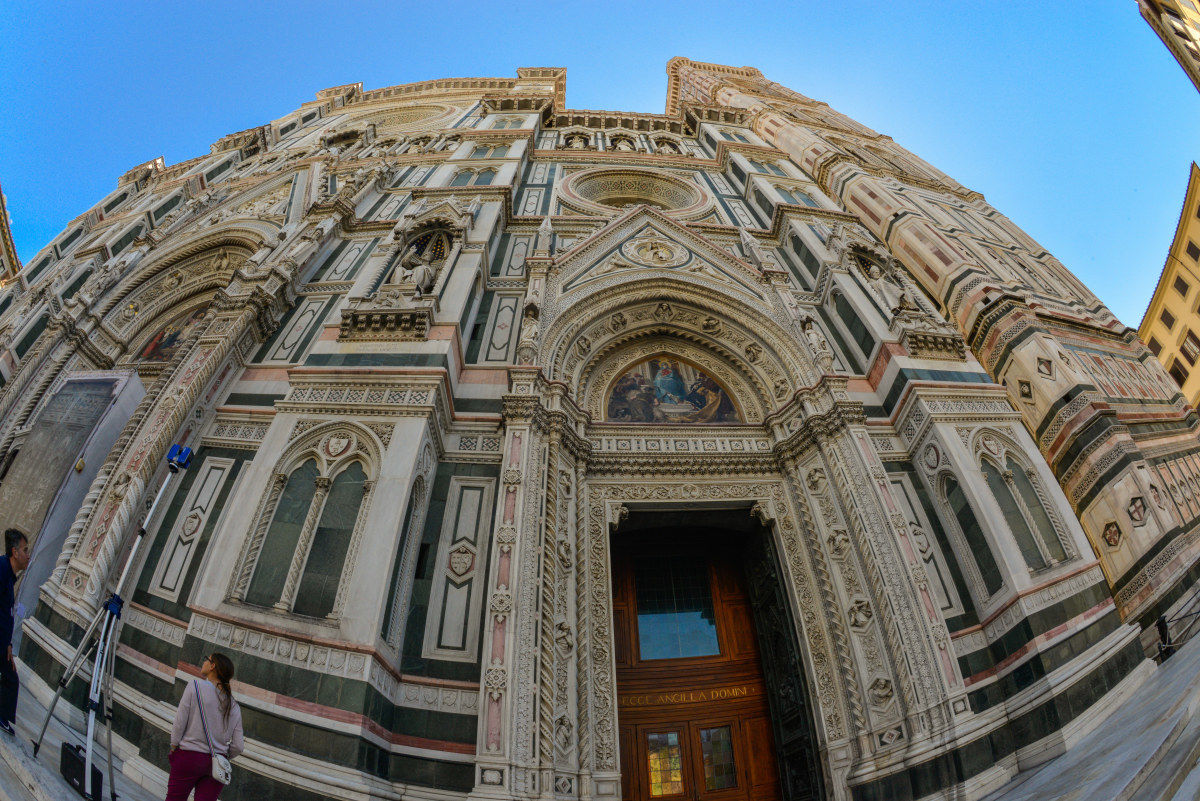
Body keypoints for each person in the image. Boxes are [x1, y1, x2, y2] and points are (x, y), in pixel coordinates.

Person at [167, 653, 243, 801]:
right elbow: (239, 746)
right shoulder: (234, 706)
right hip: (217, 767)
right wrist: (222, 755)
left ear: (212, 665)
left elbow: (179, 722)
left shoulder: (195, 686)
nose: (204, 662)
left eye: (206, 659)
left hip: (189, 757)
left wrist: (174, 746)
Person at [1, 528, 30, 736]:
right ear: (15, 552)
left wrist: (8, 644)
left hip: (2, 642)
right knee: (11, 678)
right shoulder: (1, 570)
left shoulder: (8, 575)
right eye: (25, 550)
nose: (28, 555)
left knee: (10, 677)